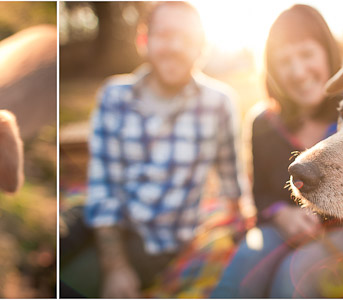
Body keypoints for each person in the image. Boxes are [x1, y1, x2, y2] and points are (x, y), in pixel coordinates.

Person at [60, 2, 244, 298]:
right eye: (165, 34)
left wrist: (239, 232)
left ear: (202, 47)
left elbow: (232, 185)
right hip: (101, 215)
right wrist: (115, 266)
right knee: (57, 236)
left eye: (186, 38)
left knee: (68, 284)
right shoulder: (114, 95)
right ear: (143, 39)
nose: (174, 46)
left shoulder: (219, 104)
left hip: (158, 238)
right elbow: (103, 187)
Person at [210, 4, 343, 298]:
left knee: (290, 280)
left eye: (306, 54)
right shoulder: (264, 123)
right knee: (241, 272)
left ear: (328, 53)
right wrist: (282, 216)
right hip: (280, 228)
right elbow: (262, 194)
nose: (298, 71)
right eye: (284, 61)